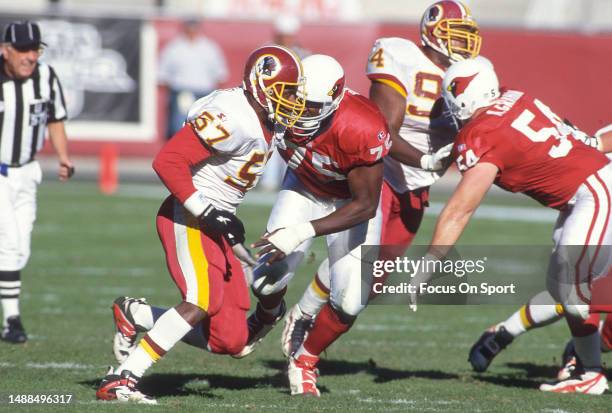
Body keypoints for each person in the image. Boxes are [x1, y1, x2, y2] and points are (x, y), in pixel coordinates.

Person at [95, 45, 307, 404]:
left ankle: (137, 313)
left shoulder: (267, 121)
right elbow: (168, 160)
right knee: (201, 299)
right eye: (282, 92)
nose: (288, 101)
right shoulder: (233, 114)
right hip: (189, 213)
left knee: (233, 341)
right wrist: (208, 212)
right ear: (259, 85)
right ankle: (123, 378)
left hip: (217, 223)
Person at [281, 0, 482, 358]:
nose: (463, 44)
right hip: (381, 169)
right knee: (361, 267)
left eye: (468, 36)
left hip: (418, 184)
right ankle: (305, 314)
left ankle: (311, 321)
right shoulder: (400, 54)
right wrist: (424, 157)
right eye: (456, 35)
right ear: (432, 32)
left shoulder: (470, 75)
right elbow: (386, 129)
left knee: (375, 280)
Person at [411, 57, 611, 394]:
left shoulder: (481, 133)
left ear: (464, 98)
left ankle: (590, 371)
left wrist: (432, 258)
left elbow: (461, 208)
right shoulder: (513, 97)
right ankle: (586, 369)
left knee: (576, 294)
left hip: (594, 191)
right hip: (584, 192)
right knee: (565, 290)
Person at [231, 54, 391, 397]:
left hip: (350, 203)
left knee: (350, 301)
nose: (299, 112)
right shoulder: (280, 101)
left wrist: (301, 231)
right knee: (265, 281)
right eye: (296, 101)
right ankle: (268, 313)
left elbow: (365, 205)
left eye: (310, 106)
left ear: (333, 101)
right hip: (303, 186)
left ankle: (304, 361)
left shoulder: (361, 125)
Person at [467, 124, 612, 376]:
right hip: (598, 203)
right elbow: (597, 143)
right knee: (575, 290)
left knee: (577, 296)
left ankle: (584, 352)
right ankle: (586, 364)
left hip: (596, 200)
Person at [0, 21, 74, 344]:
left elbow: (55, 119)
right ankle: (11, 320)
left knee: (21, 252)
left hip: (27, 171)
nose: (31, 56)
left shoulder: (46, 78)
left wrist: (64, 157)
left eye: (36, 49)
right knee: (9, 245)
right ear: (5, 50)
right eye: (24, 50)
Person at [259, 15, 310, 192]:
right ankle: (267, 180)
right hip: (270, 101)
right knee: (269, 139)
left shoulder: (303, 54)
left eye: (289, 36)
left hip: (292, 103)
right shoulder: (266, 52)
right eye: (284, 35)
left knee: (290, 140)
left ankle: (286, 178)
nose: (287, 39)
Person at [158, 19, 228, 139]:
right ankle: (179, 151)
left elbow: (220, 74)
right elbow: (162, 73)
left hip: (205, 93)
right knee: (180, 124)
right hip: (183, 91)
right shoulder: (175, 47)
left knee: (204, 125)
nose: (192, 31)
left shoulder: (209, 47)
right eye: (190, 28)